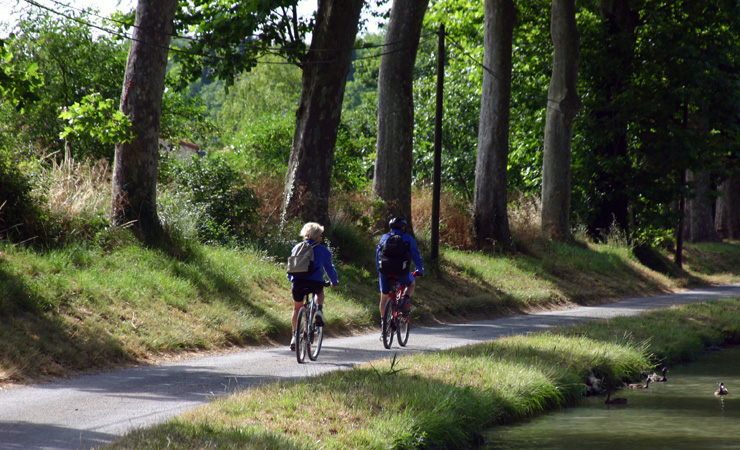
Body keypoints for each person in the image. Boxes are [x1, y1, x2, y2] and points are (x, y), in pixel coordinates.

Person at [287, 222, 339, 351]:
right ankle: (319, 311)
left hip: (297, 281)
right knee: (319, 293)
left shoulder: (297, 247)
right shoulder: (322, 250)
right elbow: (329, 268)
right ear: (316, 237)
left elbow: (292, 266)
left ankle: (294, 336)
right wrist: (334, 281)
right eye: (320, 235)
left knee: (296, 308)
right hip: (314, 281)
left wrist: (292, 279)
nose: (321, 237)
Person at [376, 217, 423, 328]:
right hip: (402, 272)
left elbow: (377, 255)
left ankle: (383, 323)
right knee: (411, 283)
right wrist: (419, 269)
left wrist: (380, 269)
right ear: (403, 227)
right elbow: (416, 255)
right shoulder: (407, 238)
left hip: (385, 271)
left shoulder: (384, 238)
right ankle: (404, 300)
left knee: (384, 296)